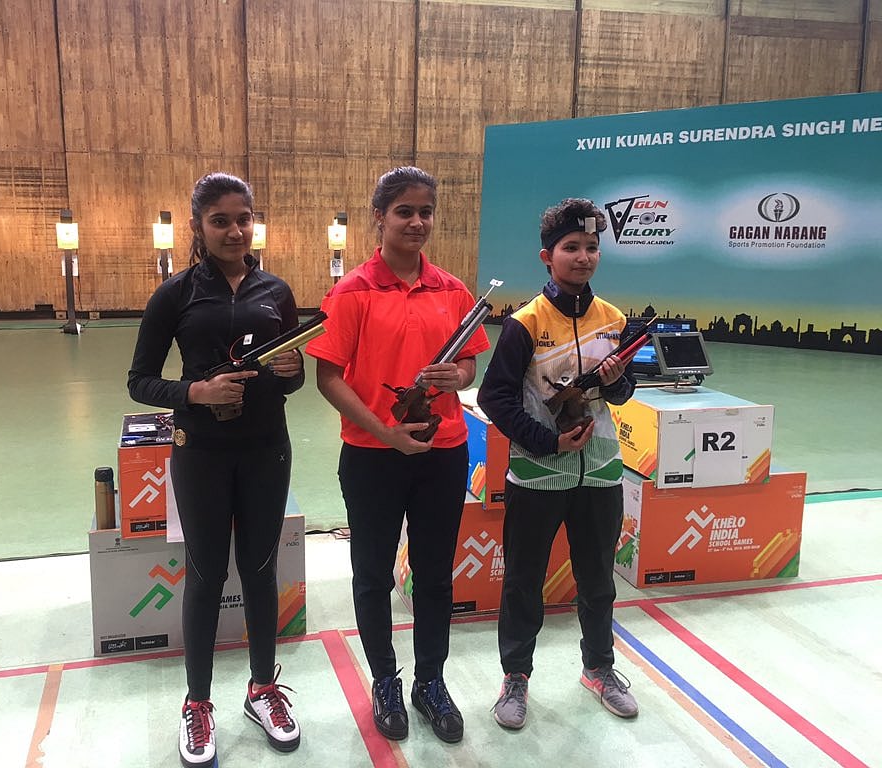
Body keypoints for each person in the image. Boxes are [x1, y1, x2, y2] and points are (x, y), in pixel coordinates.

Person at [305, 166, 490, 744]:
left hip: (443, 452)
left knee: (435, 576)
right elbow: (329, 377)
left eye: (425, 211)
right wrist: (385, 433)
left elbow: (471, 366)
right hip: (372, 455)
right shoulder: (351, 291)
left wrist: (454, 373)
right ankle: (386, 680)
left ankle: (430, 681)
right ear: (378, 218)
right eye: (404, 211)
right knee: (372, 576)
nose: (416, 222)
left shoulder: (455, 290)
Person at [128, 172, 304, 767]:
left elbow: (295, 374)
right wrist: (196, 394)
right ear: (198, 227)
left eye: (243, 218)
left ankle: (262, 689)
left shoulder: (276, 291)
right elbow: (139, 380)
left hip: (266, 450)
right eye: (221, 220)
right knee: (204, 573)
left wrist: (293, 371)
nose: (235, 230)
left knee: (259, 569)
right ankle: (197, 702)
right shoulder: (174, 294)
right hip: (200, 451)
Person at [476, 197, 640, 730]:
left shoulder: (614, 319)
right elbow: (495, 399)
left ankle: (599, 668)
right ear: (547, 256)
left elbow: (622, 393)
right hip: (537, 475)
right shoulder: (525, 323)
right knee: (524, 580)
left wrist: (617, 383)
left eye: (592, 247)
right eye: (572, 248)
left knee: (598, 579)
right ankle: (515, 678)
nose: (584, 257)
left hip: (601, 472)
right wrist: (547, 443)